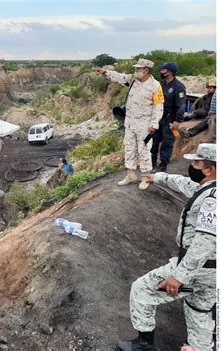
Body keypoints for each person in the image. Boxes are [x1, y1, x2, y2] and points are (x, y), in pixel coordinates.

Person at [117, 143, 216, 351]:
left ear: (210, 169)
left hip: (199, 268)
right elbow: (183, 183)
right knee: (199, 311)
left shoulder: (213, 200)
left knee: (142, 289)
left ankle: (144, 347)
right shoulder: (208, 188)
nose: (192, 166)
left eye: (196, 163)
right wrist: (157, 177)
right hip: (212, 274)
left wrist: (179, 276)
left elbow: (205, 242)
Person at [96, 58, 164, 190]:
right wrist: (106, 72)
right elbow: (120, 77)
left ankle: (145, 177)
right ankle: (131, 174)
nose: (136, 70)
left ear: (146, 70)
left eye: (138, 69)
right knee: (129, 147)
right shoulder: (133, 80)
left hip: (144, 123)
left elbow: (158, 106)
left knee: (144, 149)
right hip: (130, 121)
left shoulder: (155, 86)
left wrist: (154, 124)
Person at [151, 62, 186, 173]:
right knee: (154, 141)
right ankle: (151, 163)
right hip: (159, 118)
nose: (161, 71)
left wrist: (177, 121)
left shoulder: (179, 87)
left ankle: (163, 165)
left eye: (163, 70)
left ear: (170, 72)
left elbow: (181, 106)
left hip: (170, 120)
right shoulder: (161, 84)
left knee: (167, 143)